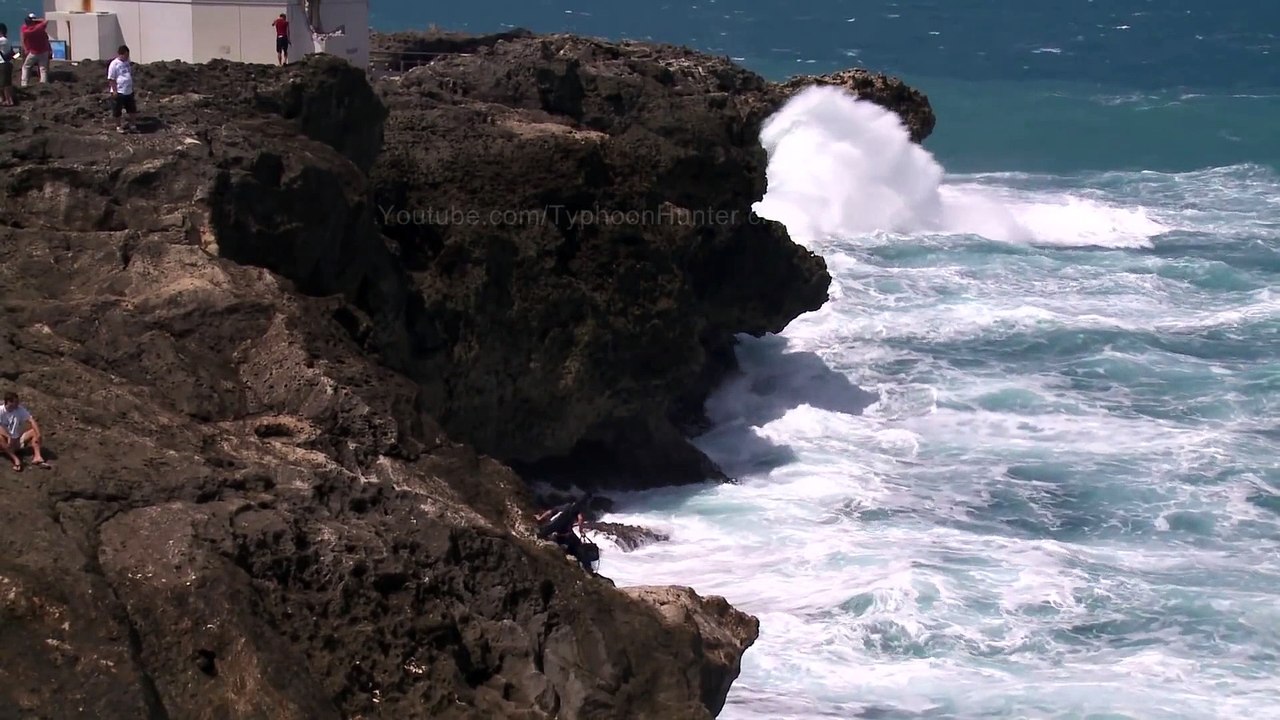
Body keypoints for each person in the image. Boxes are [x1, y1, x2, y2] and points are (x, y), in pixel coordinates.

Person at [535, 493, 599, 571]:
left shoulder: (567, 506)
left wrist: (540, 519)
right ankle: (586, 567)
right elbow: (580, 519)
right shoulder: (579, 508)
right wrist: (581, 531)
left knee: (541, 534)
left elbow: (550, 512)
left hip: (552, 528)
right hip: (564, 533)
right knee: (578, 545)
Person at [0, 391, 46, 471]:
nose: (18, 404)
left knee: (33, 432)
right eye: (16, 402)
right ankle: (16, 459)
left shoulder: (19, 409)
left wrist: (38, 434)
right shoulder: (1, 411)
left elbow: (31, 420)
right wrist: (8, 437)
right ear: (9, 402)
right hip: (5, 442)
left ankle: (37, 456)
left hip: (17, 440)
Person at [107, 45, 136, 133]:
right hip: (119, 91)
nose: (127, 57)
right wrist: (115, 90)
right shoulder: (114, 64)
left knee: (132, 109)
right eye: (126, 55)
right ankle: (118, 126)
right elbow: (111, 79)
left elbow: (128, 74)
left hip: (128, 91)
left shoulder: (127, 63)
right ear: (121, 54)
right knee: (117, 110)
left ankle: (132, 124)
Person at [19, 13, 49, 87]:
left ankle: (24, 83)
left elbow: (23, 36)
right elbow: (45, 21)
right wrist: (37, 20)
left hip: (33, 52)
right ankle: (43, 84)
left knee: (26, 67)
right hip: (44, 51)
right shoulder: (39, 27)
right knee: (43, 69)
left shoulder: (26, 31)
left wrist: (25, 49)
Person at [0, 24, 15, 106]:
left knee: (5, 84)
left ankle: (9, 101)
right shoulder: (7, 40)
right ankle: (5, 100)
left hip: (3, 64)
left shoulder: (2, 40)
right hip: (7, 63)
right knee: (5, 83)